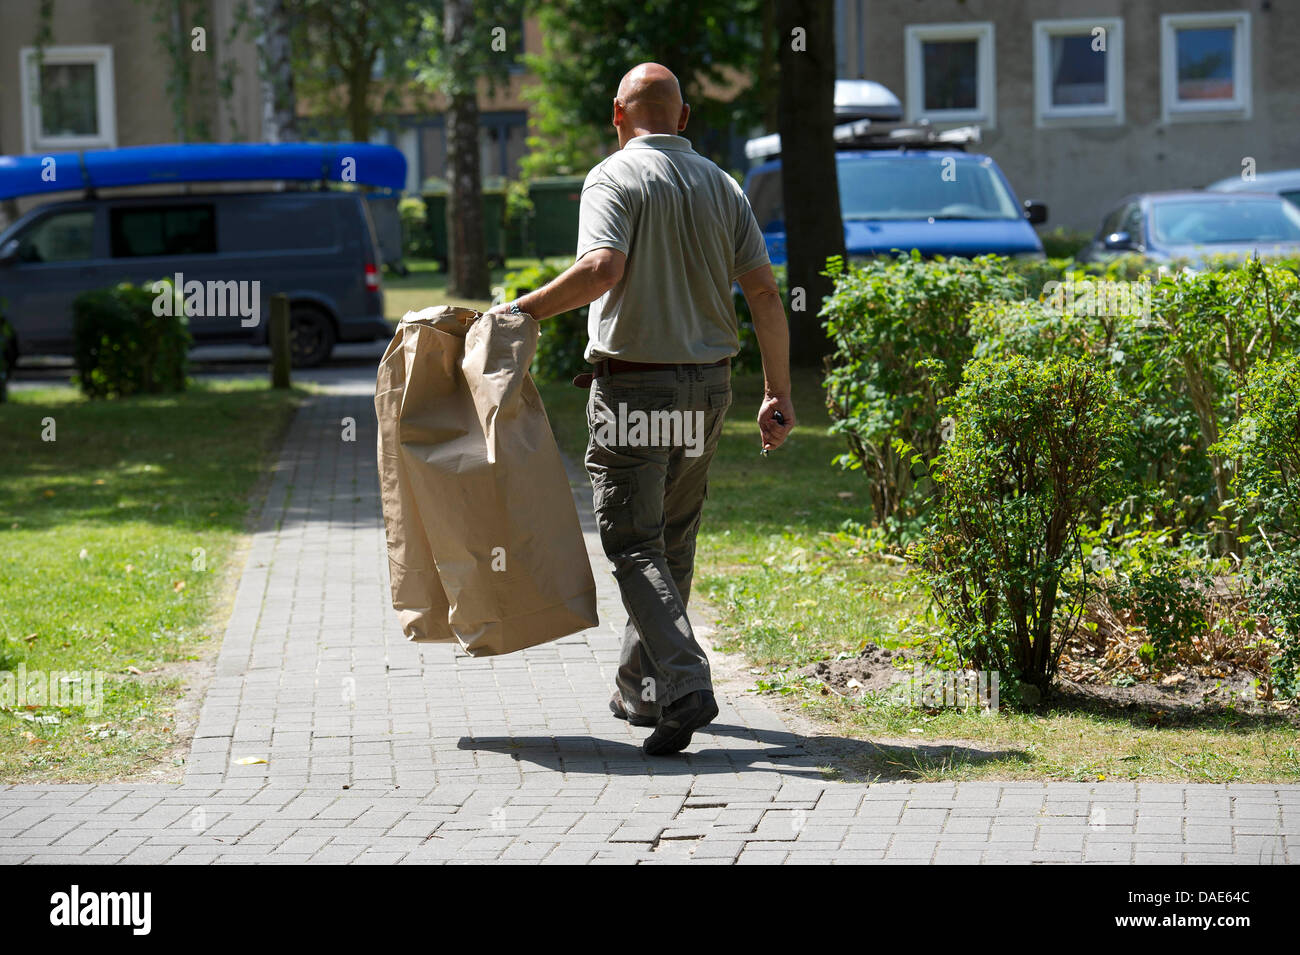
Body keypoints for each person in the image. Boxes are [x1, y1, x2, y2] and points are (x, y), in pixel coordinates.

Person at [487, 62, 794, 755]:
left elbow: (602, 268)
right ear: (683, 118)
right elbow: (766, 297)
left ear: (617, 117)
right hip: (710, 388)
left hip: (635, 389)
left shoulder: (613, 176)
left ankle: (685, 682)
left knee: (632, 543)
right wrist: (778, 391)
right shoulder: (722, 185)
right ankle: (641, 687)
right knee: (669, 542)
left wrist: (519, 310)